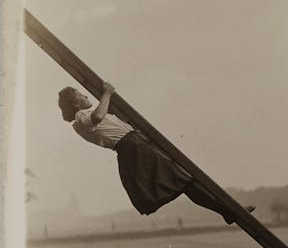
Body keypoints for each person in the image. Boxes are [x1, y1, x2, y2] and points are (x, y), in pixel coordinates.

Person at [58, 82, 254, 223]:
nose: (86, 96)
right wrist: (107, 93)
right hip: (134, 148)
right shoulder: (82, 116)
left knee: (184, 181)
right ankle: (229, 212)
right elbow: (98, 116)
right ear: (76, 103)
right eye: (82, 95)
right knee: (185, 180)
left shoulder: (78, 124)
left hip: (132, 148)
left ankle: (227, 212)